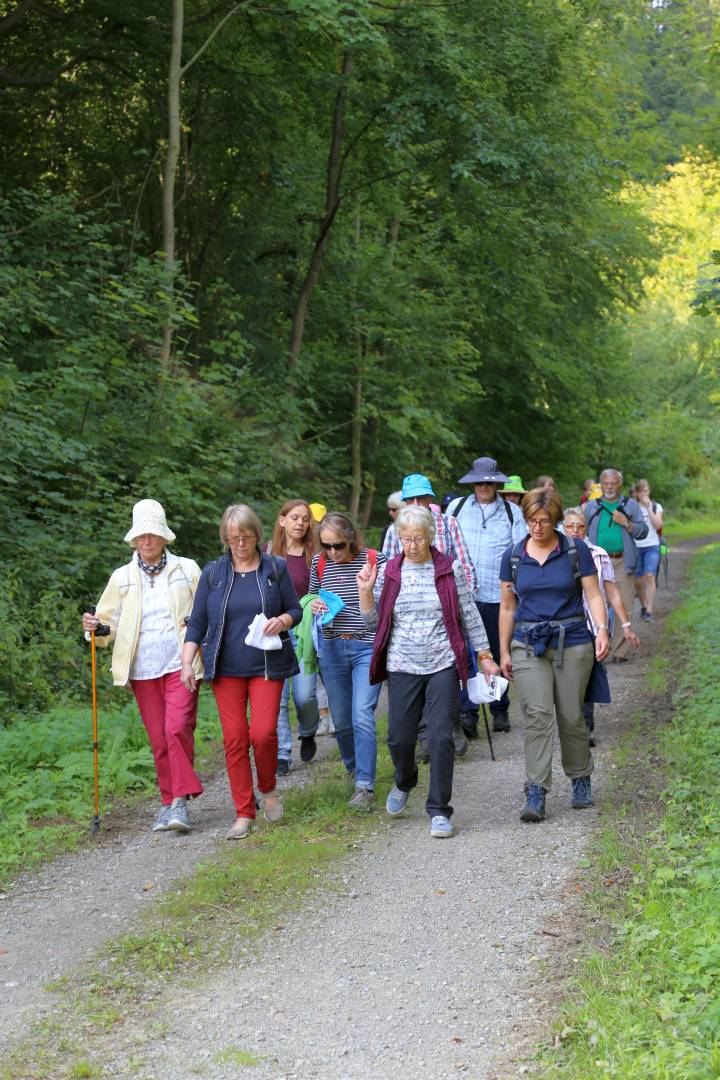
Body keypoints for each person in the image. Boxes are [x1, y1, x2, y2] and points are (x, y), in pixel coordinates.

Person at [358, 506, 499, 838]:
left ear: (431, 537)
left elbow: (469, 614)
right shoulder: (389, 572)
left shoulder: (449, 569)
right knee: (399, 737)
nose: (412, 546)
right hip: (401, 664)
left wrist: (484, 655)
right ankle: (405, 781)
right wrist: (365, 591)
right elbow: (371, 624)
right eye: (406, 539)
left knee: (440, 738)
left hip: (442, 664)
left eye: (418, 539)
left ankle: (439, 809)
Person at [81, 499, 203, 834]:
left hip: (181, 663)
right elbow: (105, 625)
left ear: (164, 536)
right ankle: (168, 802)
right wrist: (94, 627)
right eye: (140, 536)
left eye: (151, 534)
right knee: (159, 738)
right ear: (133, 539)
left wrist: (199, 628)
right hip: (142, 668)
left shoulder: (187, 569)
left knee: (177, 727)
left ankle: (180, 802)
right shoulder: (122, 578)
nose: (145, 541)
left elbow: (206, 609)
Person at [181, 504, 301, 840]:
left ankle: (268, 787)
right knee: (234, 738)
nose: (240, 544)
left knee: (262, 734)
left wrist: (283, 620)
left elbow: (295, 609)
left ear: (256, 535)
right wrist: (187, 661)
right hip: (226, 668)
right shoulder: (214, 573)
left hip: (267, 665)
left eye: (246, 537)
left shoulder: (275, 568)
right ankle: (244, 812)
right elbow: (198, 621)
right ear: (226, 538)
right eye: (233, 538)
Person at [499, 488, 609, 822]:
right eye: (532, 521)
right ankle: (536, 789)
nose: (537, 527)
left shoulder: (575, 551)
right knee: (537, 714)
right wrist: (503, 650)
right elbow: (507, 607)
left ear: (556, 520)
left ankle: (580, 777)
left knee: (572, 715)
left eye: (544, 521)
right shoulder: (513, 556)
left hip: (572, 640)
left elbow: (593, 595)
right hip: (527, 642)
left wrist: (602, 629)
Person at [383, 473, 476, 757]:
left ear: (429, 499)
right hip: (410, 616)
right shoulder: (396, 530)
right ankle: (426, 736)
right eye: (410, 499)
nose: (415, 503)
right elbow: (388, 569)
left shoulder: (448, 524)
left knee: (450, 673)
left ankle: (451, 726)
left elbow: (465, 564)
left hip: (447, 610)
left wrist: (462, 602)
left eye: (421, 497)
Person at [309, 512, 386, 810]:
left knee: (362, 714)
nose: (332, 552)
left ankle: (365, 786)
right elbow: (310, 597)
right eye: (326, 545)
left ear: (351, 537)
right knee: (341, 721)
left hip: (366, 646)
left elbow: (387, 606)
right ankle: (354, 768)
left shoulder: (375, 560)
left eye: (338, 545)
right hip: (331, 648)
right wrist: (314, 604)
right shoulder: (319, 563)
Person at [447, 457, 527, 736]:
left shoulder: (512, 513)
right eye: (479, 482)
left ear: (496, 484)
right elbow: (446, 548)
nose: (484, 486)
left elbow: (520, 554)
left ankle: (499, 708)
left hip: (498, 597)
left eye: (489, 482)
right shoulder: (456, 508)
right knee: (466, 657)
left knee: (496, 651)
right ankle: (468, 713)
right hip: (463, 596)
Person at [563, 508, 640, 744]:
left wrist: (626, 625)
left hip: (592, 627)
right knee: (565, 680)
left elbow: (612, 593)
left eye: (580, 526)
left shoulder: (598, 554)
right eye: (570, 526)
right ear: (562, 529)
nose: (575, 531)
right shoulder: (553, 555)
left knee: (586, 679)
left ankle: (585, 728)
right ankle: (569, 725)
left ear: (587, 529)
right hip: (562, 627)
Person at [266, 500, 320, 775]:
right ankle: (282, 753)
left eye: (305, 519)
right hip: (275, 634)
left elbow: (324, 591)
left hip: (304, 634)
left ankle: (308, 731)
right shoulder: (266, 553)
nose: (300, 523)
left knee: (304, 696)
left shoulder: (315, 555)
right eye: (295, 517)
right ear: (282, 520)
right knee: (276, 699)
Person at [583, 469, 648, 661]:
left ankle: (619, 652)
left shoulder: (631, 505)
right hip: (596, 562)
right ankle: (600, 647)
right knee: (596, 604)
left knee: (624, 605)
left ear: (620, 485)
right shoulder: (591, 506)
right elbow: (581, 531)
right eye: (606, 483)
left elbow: (643, 531)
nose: (610, 487)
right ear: (601, 485)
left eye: (614, 483)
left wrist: (626, 523)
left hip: (622, 561)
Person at [633, 479, 664, 622]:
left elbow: (658, 525)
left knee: (650, 576)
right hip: (635, 547)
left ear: (649, 491)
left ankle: (649, 611)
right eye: (641, 491)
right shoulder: (632, 508)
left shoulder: (656, 506)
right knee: (637, 581)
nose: (643, 494)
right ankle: (644, 605)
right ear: (636, 493)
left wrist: (648, 508)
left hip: (652, 546)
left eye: (645, 491)